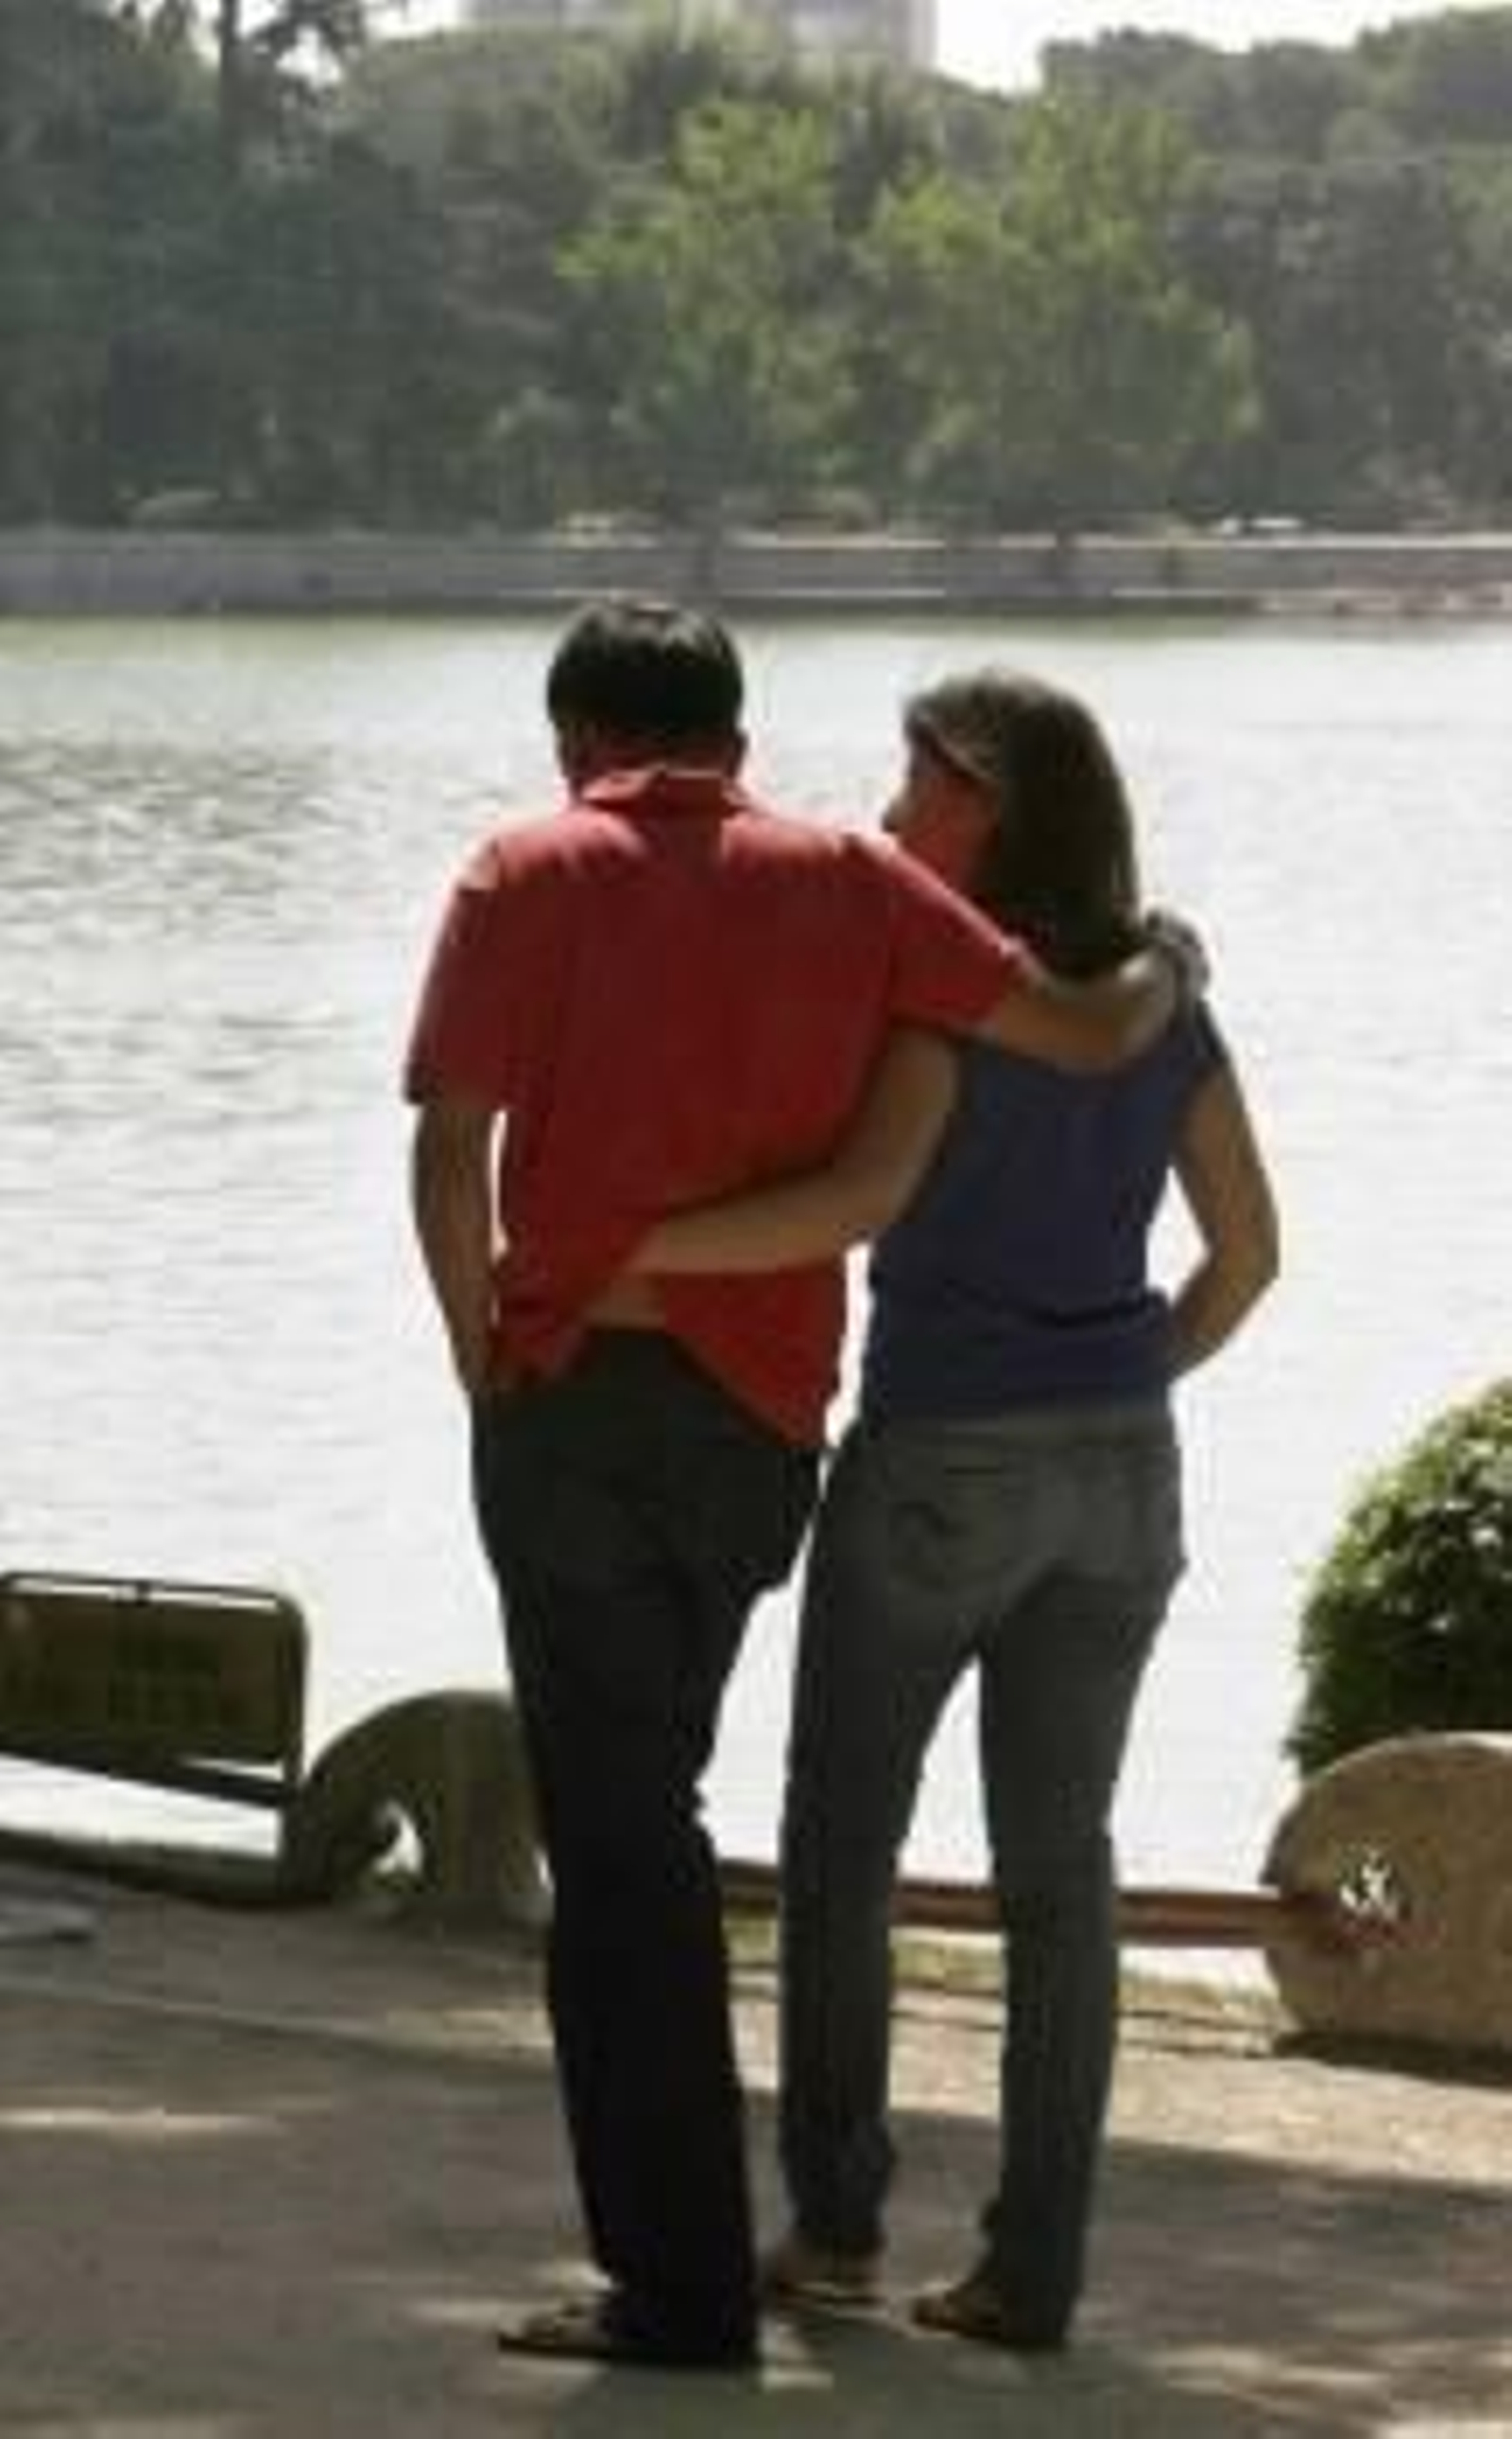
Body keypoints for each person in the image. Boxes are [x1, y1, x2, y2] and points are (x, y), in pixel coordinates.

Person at [403, 602, 1182, 2372]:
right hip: (763, 1434)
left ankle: (679, 2288)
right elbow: (1080, 1030)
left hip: (578, 1401)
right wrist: (1170, 973)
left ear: (577, 736)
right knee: (652, 1795)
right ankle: (707, 2258)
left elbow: (452, 1148)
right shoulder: (853, 880)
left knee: (622, 1842)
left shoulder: (528, 870)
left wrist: (482, 1359)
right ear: (739, 739)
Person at [629, 665, 1280, 2355]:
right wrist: (1119, 1377)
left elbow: (856, 1195)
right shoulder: (1166, 1002)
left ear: (986, 800)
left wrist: (635, 1247)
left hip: (938, 1460)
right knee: (1063, 1876)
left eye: (920, 786)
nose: (897, 809)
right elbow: (1251, 1258)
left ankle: (836, 2230)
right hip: (1124, 1469)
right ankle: (1033, 2273)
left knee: (842, 1847)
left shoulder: (938, 995)